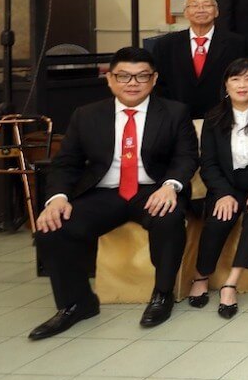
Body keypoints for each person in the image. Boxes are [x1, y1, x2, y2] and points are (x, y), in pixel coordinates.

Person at [30, 47, 198, 339]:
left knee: (168, 218)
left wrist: (171, 186)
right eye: (123, 76)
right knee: (51, 228)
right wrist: (57, 199)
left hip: (152, 189)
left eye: (141, 76)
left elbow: (186, 157)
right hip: (104, 192)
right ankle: (77, 303)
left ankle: (162, 294)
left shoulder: (174, 112)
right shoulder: (86, 115)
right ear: (109, 79)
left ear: (154, 79)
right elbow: (66, 163)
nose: (132, 83)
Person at [188, 58, 248, 319]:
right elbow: (208, 163)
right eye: (236, 79)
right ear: (226, 85)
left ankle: (231, 283)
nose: (242, 85)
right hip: (227, 184)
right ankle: (201, 275)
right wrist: (223, 193)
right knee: (219, 219)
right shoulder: (213, 117)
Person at [153, 0, 248, 119]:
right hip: (178, 117)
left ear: (216, 11)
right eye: (194, 5)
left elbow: (242, 80)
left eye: (207, 5)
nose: (201, 10)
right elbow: (159, 84)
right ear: (186, 13)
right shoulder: (166, 44)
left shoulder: (236, 43)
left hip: (222, 116)